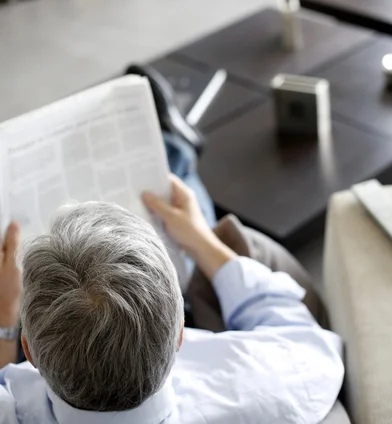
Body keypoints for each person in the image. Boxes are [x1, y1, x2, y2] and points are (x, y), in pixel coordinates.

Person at [0, 68, 344, 424]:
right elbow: (305, 342)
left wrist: (4, 326)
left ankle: (177, 146)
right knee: (177, 176)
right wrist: (202, 240)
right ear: (180, 331)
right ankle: (176, 146)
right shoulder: (252, 383)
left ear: (30, 353)